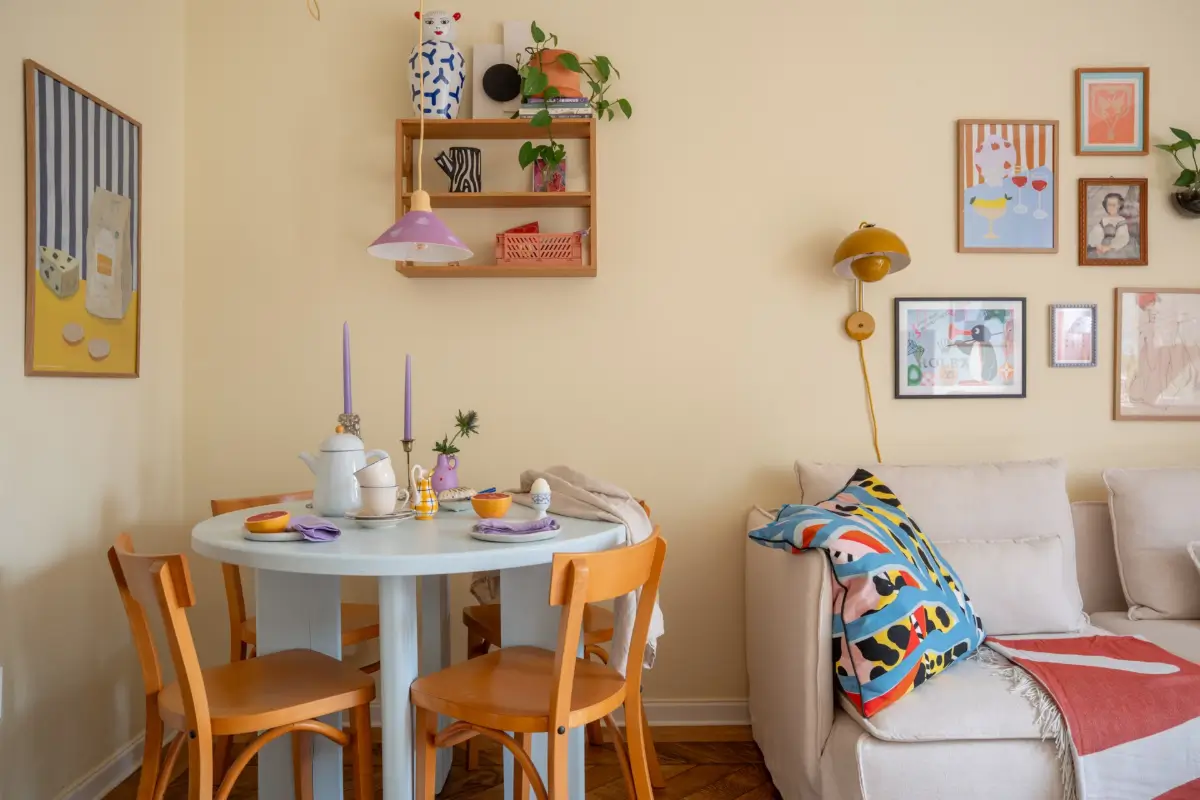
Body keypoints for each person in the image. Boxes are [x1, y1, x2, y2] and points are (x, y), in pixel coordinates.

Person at [1087, 191, 1131, 258]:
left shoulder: (1121, 220)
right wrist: (1098, 245)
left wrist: (1109, 247)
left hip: (1117, 248)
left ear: (1119, 206)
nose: (1111, 207)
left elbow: (1122, 236)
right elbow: (1096, 232)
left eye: (1113, 205)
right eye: (1109, 205)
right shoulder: (1103, 219)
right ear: (1105, 205)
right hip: (1101, 246)